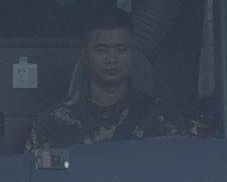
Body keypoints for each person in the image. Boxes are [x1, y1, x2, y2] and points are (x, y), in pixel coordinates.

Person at [39, 14, 195, 147]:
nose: (112, 59)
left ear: (133, 55)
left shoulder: (161, 118)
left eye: (121, 50)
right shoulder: (55, 122)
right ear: (85, 56)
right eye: (101, 50)